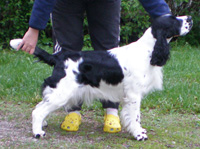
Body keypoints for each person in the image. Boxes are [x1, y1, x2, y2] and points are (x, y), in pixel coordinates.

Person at [18, 0, 171, 133]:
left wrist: (164, 16)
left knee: (110, 49)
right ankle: (72, 111)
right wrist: (34, 28)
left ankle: (111, 111)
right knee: (68, 53)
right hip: (66, 3)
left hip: (105, 3)